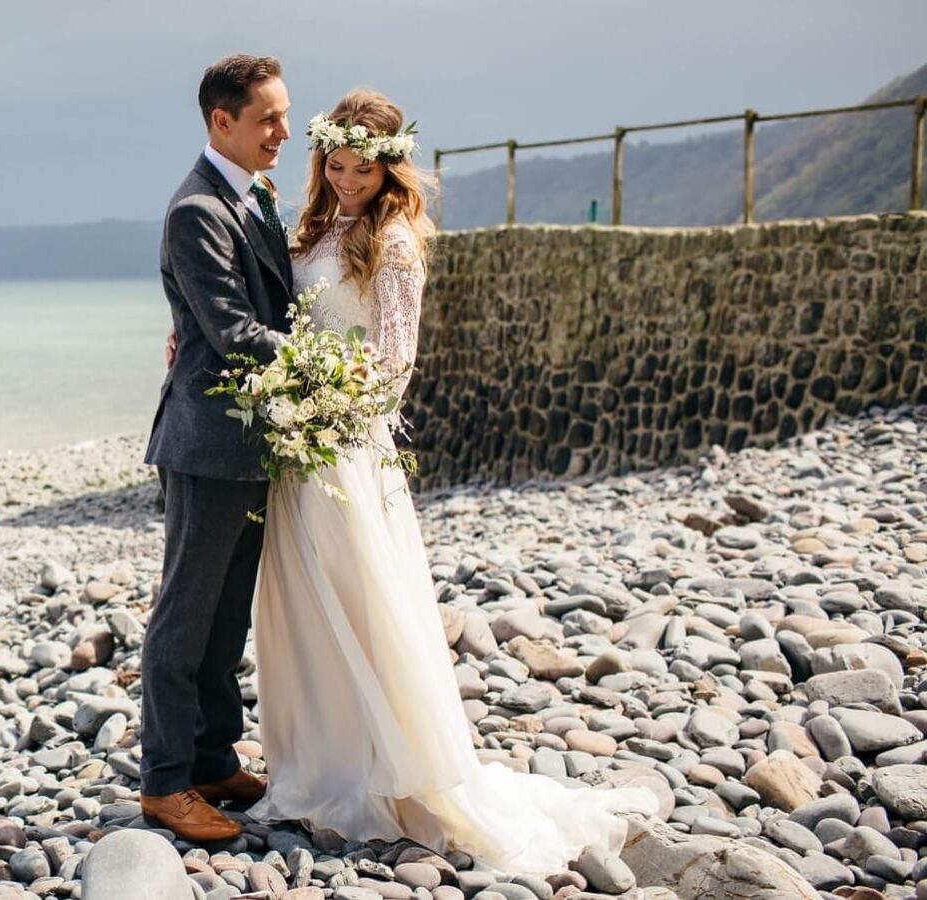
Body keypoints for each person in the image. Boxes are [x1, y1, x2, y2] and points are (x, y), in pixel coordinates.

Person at [242, 88, 658, 872]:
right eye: (335, 165)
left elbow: (396, 363)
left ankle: (381, 772)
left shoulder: (394, 239)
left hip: (347, 448)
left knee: (360, 603)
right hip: (297, 449)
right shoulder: (311, 225)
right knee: (303, 605)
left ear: (390, 166)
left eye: (362, 169)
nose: (347, 180)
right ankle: (309, 765)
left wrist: (327, 407)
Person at [138, 53, 293, 843]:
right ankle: (164, 782)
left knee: (228, 617)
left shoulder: (254, 195)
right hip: (207, 443)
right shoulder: (197, 210)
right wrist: (330, 362)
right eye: (267, 118)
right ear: (220, 122)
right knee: (184, 619)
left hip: (255, 442)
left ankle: (210, 756)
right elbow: (234, 332)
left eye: (284, 114)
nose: (283, 132)